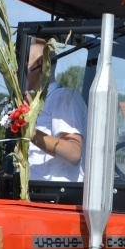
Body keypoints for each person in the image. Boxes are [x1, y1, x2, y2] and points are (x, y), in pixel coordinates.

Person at [26, 38, 88, 182]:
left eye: (23, 66)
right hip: (38, 195)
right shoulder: (38, 104)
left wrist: (30, 131)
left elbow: (74, 152)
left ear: (39, 65)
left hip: (58, 197)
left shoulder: (64, 97)